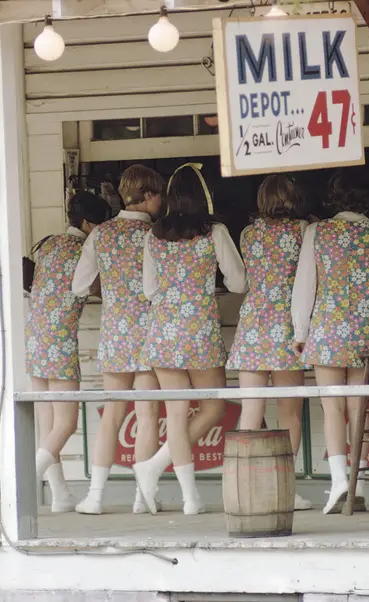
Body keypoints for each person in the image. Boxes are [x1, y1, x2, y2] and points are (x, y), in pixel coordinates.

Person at [136, 163, 247, 515]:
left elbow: (149, 290)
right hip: (200, 331)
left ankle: (188, 496)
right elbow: (238, 283)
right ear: (204, 196)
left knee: (178, 414)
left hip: (164, 332)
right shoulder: (214, 231)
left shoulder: (153, 234)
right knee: (213, 407)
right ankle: (156, 468)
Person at [71, 165, 165, 515]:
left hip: (114, 334)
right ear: (150, 195)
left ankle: (95, 496)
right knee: (147, 415)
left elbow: (79, 286)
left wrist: (108, 284)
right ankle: (143, 497)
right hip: (149, 335)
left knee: (111, 416)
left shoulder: (101, 235)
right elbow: (152, 288)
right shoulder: (155, 235)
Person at [291, 170, 369, 515]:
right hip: (363, 328)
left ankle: (340, 480)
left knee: (332, 407)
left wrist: (300, 332)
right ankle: (356, 483)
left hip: (327, 327)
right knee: (358, 407)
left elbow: (305, 286)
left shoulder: (318, 232)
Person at [227, 174, 313, 511]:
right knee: (290, 412)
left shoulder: (249, 233)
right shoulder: (303, 231)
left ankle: (243, 486)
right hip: (287, 324)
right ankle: (283, 485)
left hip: (252, 324)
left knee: (251, 410)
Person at [27, 191, 111, 512]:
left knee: (47, 426)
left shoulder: (49, 244)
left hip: (35, 338)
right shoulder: (84, 250)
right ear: (88, 223)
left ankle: (60, 495)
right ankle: (24, 482)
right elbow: (97, 287)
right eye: (99, 225)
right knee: (66, 424)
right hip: (60, 339)